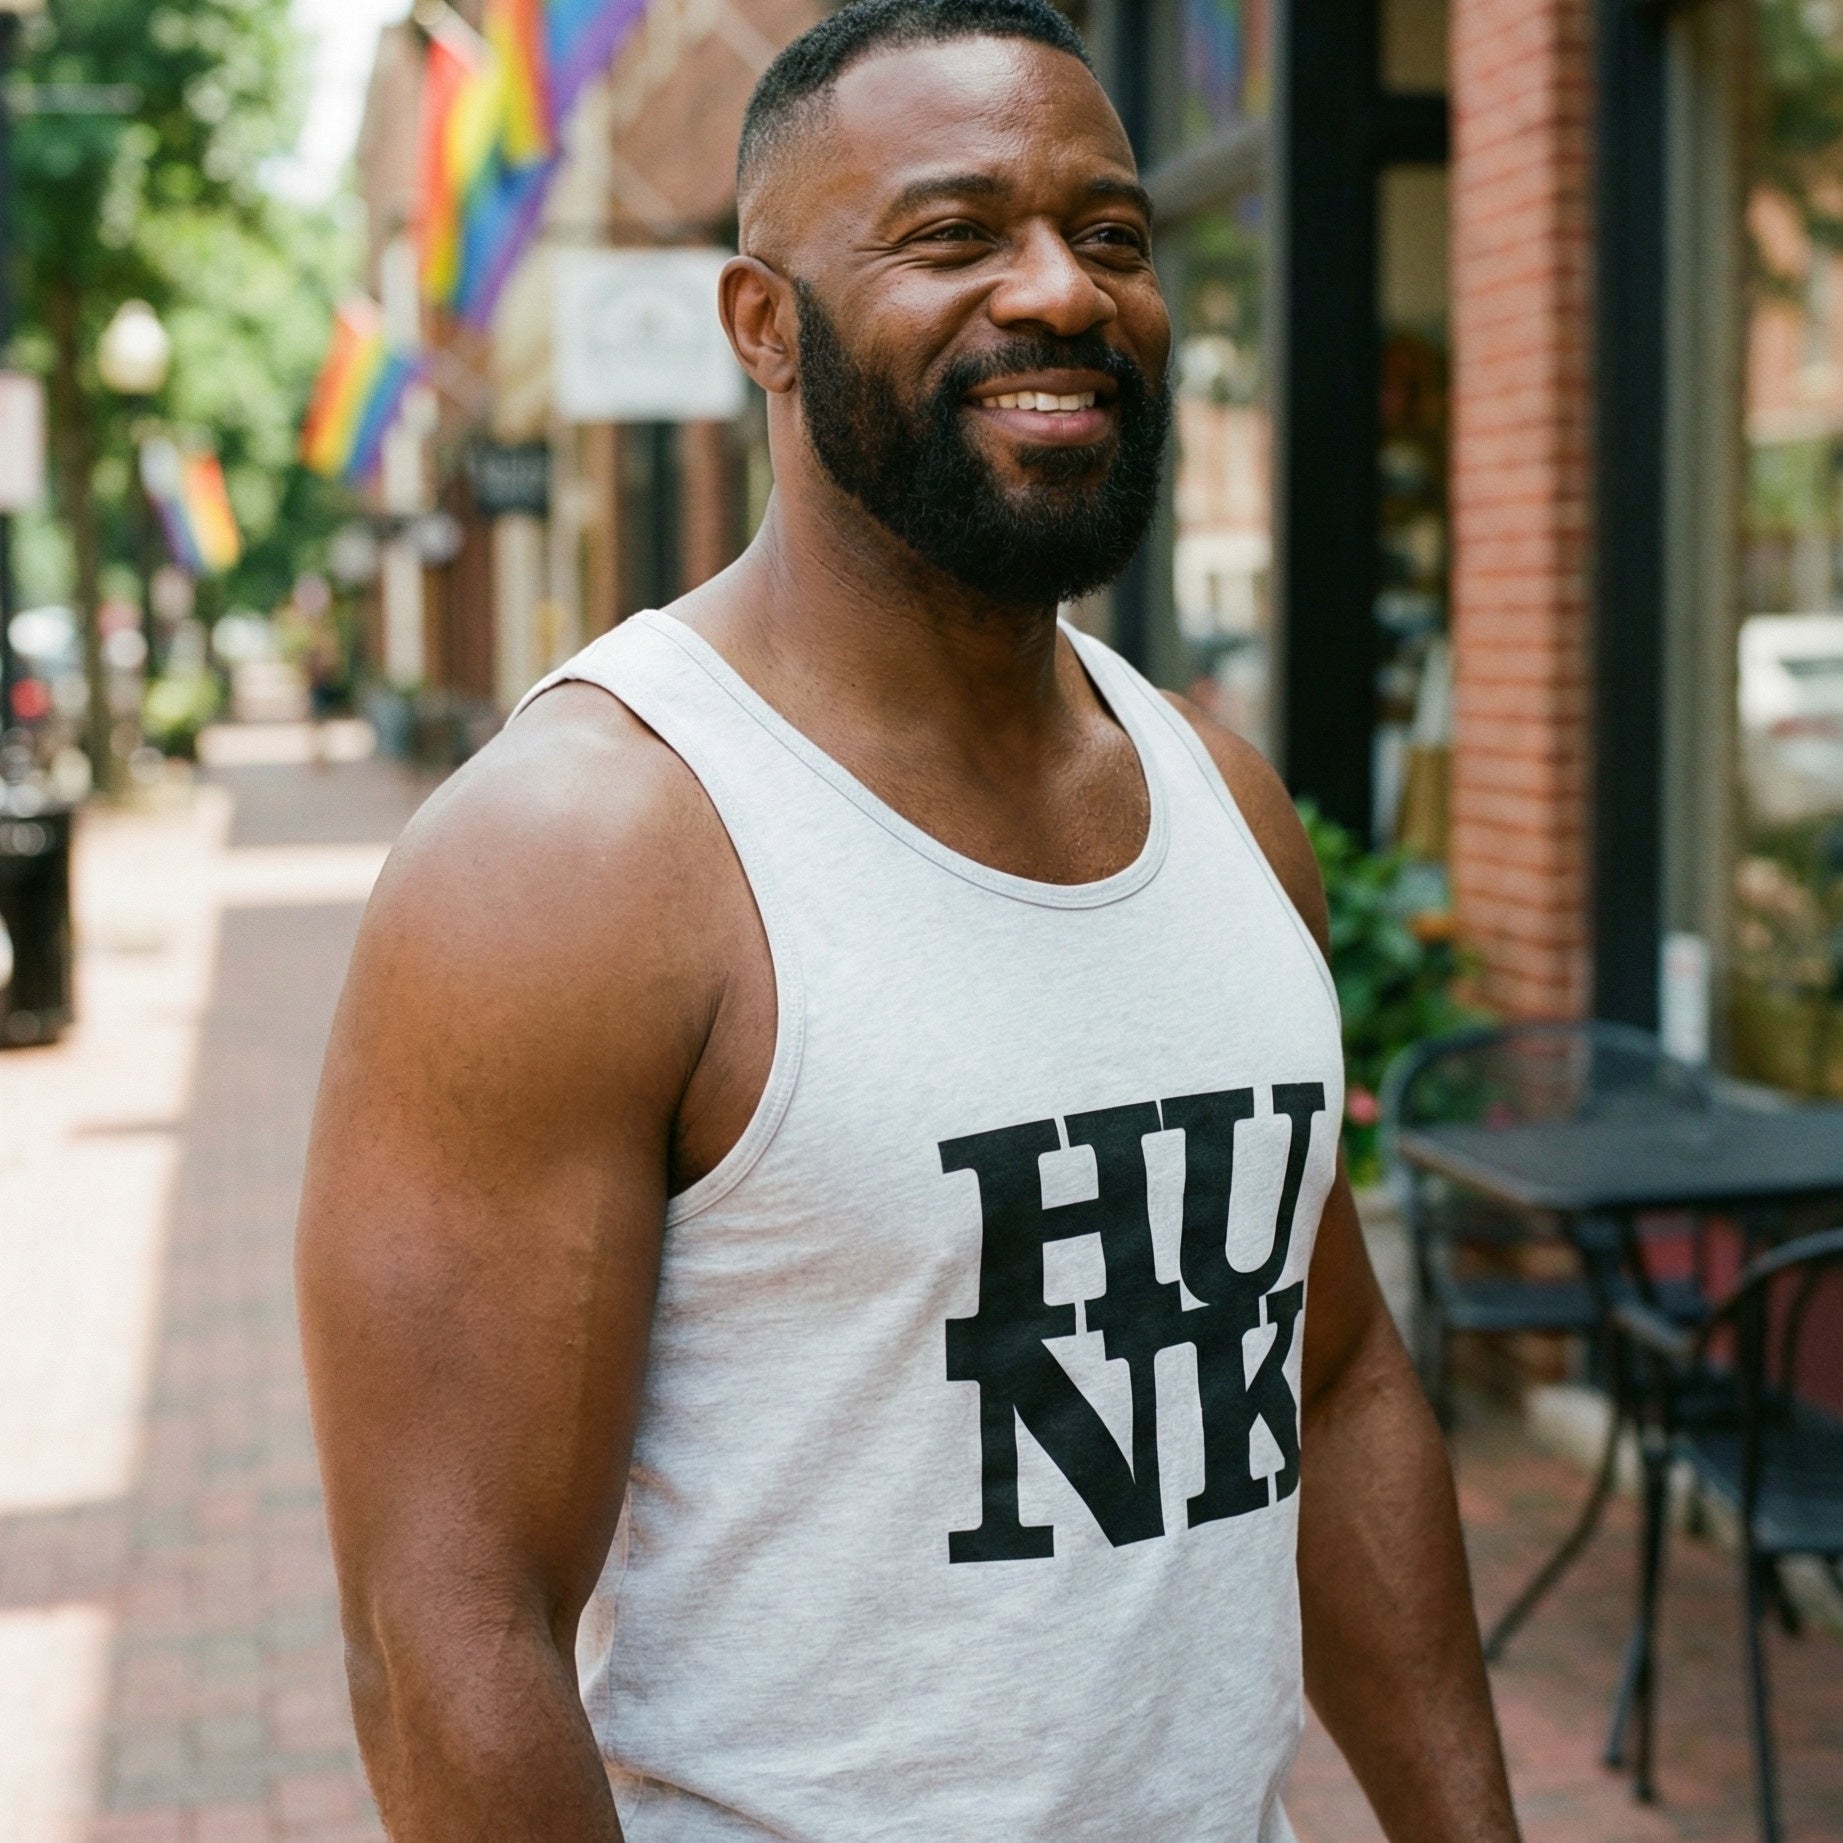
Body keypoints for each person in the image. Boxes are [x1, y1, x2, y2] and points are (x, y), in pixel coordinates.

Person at [295, 2, 1523, 1837]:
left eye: (1111, 234)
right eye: (956, 235)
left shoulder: (1222, 800)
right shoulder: (582, 853)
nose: (1061, 292)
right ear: (762, 326)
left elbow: (1329, 1377)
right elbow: (446, 1628)